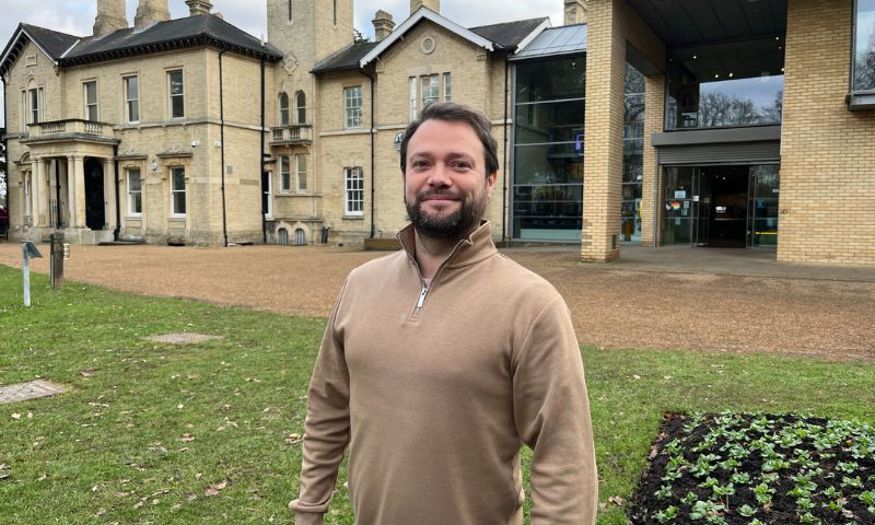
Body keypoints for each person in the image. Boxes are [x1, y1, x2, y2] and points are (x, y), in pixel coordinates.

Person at [290, 102, 598, 525]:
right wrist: (308, 511)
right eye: (422, 163)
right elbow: (328, 407)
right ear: (405, 177)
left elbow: (565, 458)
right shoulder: (359, 285)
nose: (438, 177)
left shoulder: (532, 305)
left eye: (459, 163)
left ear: (490, 180)